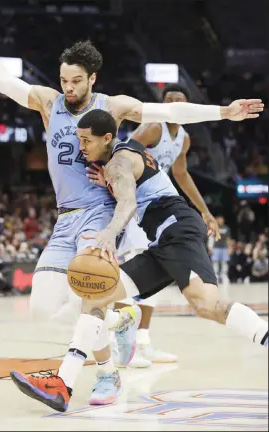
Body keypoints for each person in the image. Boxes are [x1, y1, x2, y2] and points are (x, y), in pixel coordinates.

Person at [0, 10, 264, 412]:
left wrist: (222, 112)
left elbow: (169, 115)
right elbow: (4, 82)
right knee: (45, 307)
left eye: (76, 81)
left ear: (92, 79)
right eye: (63, 80)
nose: (67, 88)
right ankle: (119, 321)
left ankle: (94, 374)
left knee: (93, 293)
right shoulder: (48, 102)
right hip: (66, 215)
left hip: (104, 212)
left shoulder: (114, 111)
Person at [17, 108, 267, 412]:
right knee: (94, 298)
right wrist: (107, 182)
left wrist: (109, 231)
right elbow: (130, 182)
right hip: (160, 241)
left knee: (207, 305)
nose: (81, 147)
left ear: (106, 138)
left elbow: (128, 201)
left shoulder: (118, 163)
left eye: (86, 140)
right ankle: (67, 383)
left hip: (177, 229)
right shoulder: (125, 150)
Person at [87, 84, 219, 367]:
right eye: (169, 100)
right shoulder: (152, 128)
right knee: (137, 270)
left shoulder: (183, 138)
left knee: (150, 277)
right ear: (163, 104)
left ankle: (138, 340)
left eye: (179, 101)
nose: (174, 105)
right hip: (134, 201)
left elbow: (182, 175)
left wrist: (204, 211)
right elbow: (123, 154)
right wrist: (110, 181)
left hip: (156, 205)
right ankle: (127, 338)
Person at [208, 215, 231, 284]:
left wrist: (229, 248)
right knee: (215, 262)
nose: (220, 220)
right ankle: (216, 276)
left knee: (224, 263)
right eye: (219, 219)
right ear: (217, 220)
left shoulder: (226, 228)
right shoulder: (214, 228)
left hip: (224, 248)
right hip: (216, 248)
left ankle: (224, 276)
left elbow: (228, 239)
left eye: (222, 219)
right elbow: (211, 237)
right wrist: (210, 247)